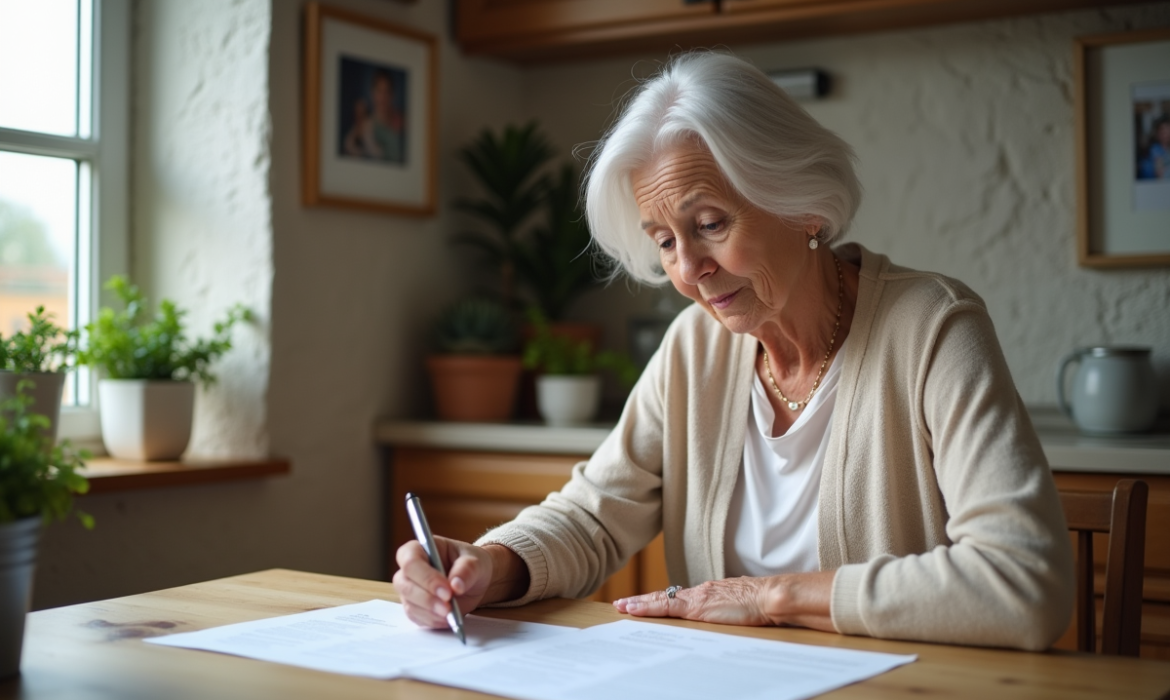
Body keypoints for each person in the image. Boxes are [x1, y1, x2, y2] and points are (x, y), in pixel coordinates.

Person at [394, 52, 1073, 651]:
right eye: (664, 240)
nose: (688, 269)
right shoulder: (696, 348)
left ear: (802, 203)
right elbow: (595, 515)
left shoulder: (932, 329)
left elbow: (1024, 583)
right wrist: (490, 563)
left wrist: (773, 598)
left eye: (710, 224)